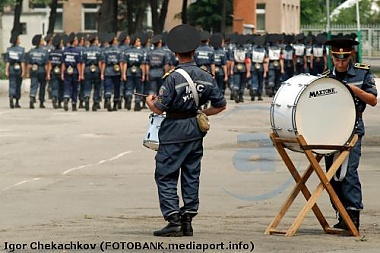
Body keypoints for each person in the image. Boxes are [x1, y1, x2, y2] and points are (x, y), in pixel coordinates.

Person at [146, 24, 227, 237]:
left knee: (166, 174)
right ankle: (188, 219)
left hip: (174, 130)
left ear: (175, 52)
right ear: (194, 50)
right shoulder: (206, 75)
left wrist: (149, 102)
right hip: (195, 129)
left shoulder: (172, 78)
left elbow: (159, 108)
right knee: (191, 174)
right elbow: (221, 104)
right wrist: (203, 114)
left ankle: (173, 219)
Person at [324, 37, 377, 231]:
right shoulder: (326, 77)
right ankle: (341, 213)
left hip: (353, 127)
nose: (340, 62)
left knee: (349, 173)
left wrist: (355, 90)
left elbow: (373, 100)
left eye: (344, 58)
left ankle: (353, 214)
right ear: (332, 57)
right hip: (331, 129)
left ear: (351, 55)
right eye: (337, 59)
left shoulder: (362, 73)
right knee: (331, 175)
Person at [27, 34, 49, 109]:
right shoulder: (45, 52)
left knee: (33, 85)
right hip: (42, 70)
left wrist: (28, 73)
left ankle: (32, 96)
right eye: (42, 40)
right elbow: (46, 64)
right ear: (40, 42)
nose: (43, 41)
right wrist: (48, 74)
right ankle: (41, 102)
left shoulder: (31, 51)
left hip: (33, 70)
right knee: (42, 86)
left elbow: (29, 64)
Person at [5, 32, 25, 109]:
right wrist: (23, 71)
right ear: (16, 40)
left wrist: (6, 71)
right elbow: (22, 62)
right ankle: (17, 101)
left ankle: (11, 95)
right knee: (18, 85)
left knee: (12, 84)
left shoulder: (9, 50)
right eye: (19, 39)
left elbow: (8, 62)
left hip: (12, 68)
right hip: (18, 68)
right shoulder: (21, 50)